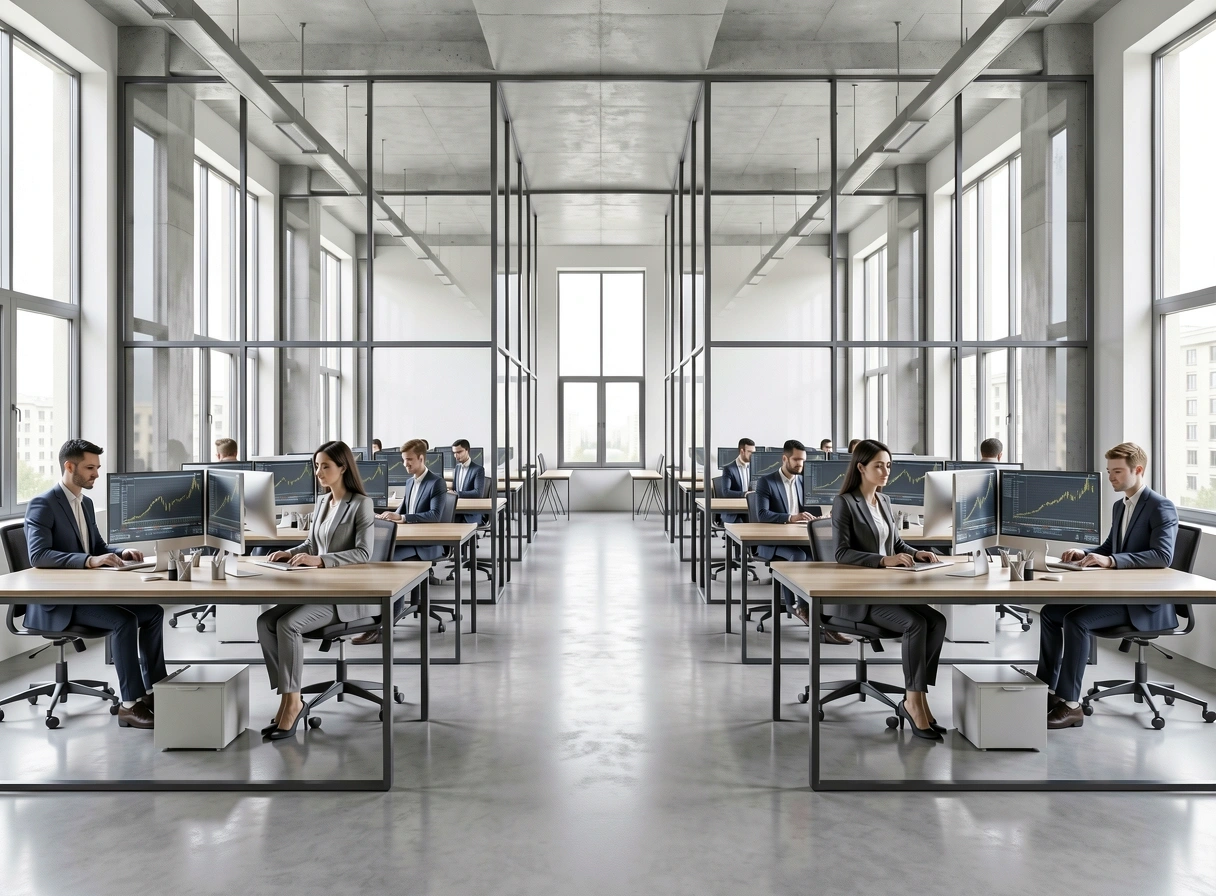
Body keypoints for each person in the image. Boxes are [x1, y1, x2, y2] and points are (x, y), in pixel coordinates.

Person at [23, 440, 165, 730]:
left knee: (152, 612)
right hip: (57, 603)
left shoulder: (84, 503)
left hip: (84, 594)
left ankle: (155, 690)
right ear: (69, 466)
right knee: (125, 620)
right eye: (90, 468)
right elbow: (38, 555)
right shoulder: (43, 504)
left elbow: (96, 546)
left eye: (98, 468)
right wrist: (89, 561)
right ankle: (129, 705)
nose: (96, 475)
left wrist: (119, 552)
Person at [1037, 442, 1178, 730]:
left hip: (1145, 604)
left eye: (1117, 471)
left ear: (1137, 470)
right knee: (1051, 612)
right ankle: (1046, 689)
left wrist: (1111, 561)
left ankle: (1071, 705)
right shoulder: (1121, 505)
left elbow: (1162, 556)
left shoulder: (1160, 507)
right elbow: (1110, 547)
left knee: (1076, 620)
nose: (1111, 477)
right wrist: (1085, 553)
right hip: (1123, 594)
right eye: (1108, 470)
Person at [257, 441, 376, 740]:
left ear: (343, 468)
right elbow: (311, 545)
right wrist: (289, 552)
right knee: (265, 622)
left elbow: (364, 553)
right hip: (319, 590)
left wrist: (321, 561)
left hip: (345, 597)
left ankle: (293, 703)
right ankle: (289, 697)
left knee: (287, 624)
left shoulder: (361, 504)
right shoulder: (324, 502)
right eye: (316, 466)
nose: (319, 472)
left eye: (325, 466)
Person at [832, 439, 947, 741]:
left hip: (887, 591)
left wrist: (916, 552)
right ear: (861, 468)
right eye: (879, 465)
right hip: (860, 598)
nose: (886, 471)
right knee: (916, 623)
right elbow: (841, 553)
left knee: (937, 621)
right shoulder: (845, 503)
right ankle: (913, 702)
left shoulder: (883, 500)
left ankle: (917, 697)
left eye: (888, 465)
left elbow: (895, 543)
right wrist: (884, 561)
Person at [754, 440, 850, 645]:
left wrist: (826, 515)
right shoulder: (767, 482)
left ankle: (827, 617)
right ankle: (798, 606)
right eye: (797, 460)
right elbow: (762, 515)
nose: (800, 464)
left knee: (818, 557)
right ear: (785, 458)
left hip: (799, 537)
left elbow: (814, 510)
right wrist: (791, 517)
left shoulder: (804, 480)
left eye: (803, 460)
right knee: (799, 556)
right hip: (772, 541)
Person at [354, 439, 448, 645]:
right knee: (374, 558)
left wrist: (403, 518)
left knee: (389, 565)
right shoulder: (410, 481)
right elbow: (403, 509)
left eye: (408, 460)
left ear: (421, 458)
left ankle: (380, 627)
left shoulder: (436, 482)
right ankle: (367, 619)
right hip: (408, 541)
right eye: (404, 460)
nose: (405, 464)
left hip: (426, 546)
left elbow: (435, 515)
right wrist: (388, 516)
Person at [719, 437, 754, 525]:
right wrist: (744, 494)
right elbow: (725, 492)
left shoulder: (755, 467)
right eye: (750, 452)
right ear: (742, 451)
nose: (753, 455)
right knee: (743, 525)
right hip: (734, 512)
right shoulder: (729, 469)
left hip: (751, 509)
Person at [451, 439, 487, 524]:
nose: (456, 456)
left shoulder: (478, 470)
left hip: (470, 514)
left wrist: (457, 494)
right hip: (456, 512)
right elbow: (454, 489)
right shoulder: (457, 468)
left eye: (459, 452)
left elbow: (478, 493)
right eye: (454, 453)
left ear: (467, 450)